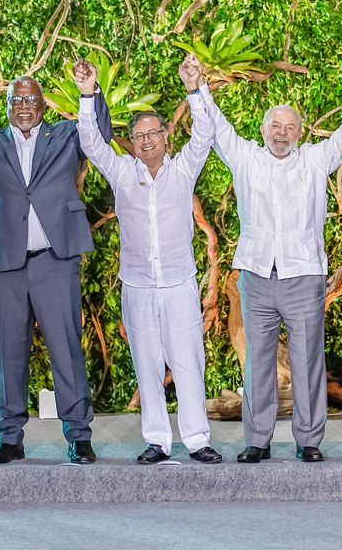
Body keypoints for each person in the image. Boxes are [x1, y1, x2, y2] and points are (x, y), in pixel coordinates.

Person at [203, 78, 342, 463]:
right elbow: (216, 126)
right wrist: (198, 88)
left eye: (290, 127)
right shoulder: (245, 156)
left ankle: (309, 440)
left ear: (300, 132)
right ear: (263, 130)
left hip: (303, 276)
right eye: (275, 127)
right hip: (257, 276)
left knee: (308, 361)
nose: (282, 134)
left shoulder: (315, 159)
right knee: (257, 361)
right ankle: (258, 440)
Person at [0, 65, 110, 465]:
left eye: (30, 99)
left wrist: (89, 92)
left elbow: (101, 135)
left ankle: (79, 435)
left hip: (55, 262)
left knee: (66, 350)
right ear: (7, 106)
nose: (23, 106)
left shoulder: (67, 135)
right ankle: (9, 438)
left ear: (43, 105)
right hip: (5, 264)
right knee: (7, 353)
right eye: (15, 100)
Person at [75, 54, 221, 465]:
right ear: (133, 142)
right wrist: (88, 95)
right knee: (147, 364)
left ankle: (197, 439)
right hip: (137, 286)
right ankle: (157, 439)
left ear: (165, 138)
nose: (146, 141)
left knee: (189, 362)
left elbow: (205, 133)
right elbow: (90, 142)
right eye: (138, 136)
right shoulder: (122, 172)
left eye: (153, 134)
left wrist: (194, 90)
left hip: (178, 284)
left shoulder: (184, 169)